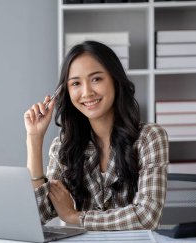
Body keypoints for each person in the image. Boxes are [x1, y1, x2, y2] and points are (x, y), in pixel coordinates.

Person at [24, 41, 169, 231]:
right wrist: (34, 138)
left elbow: (147, 216)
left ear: (115, 80)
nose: (87, 92)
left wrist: (75, 217)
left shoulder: (150, 137)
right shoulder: (64, 146)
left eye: (96, 79)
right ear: (66, 92)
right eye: (76, 83)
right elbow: (37, 214)